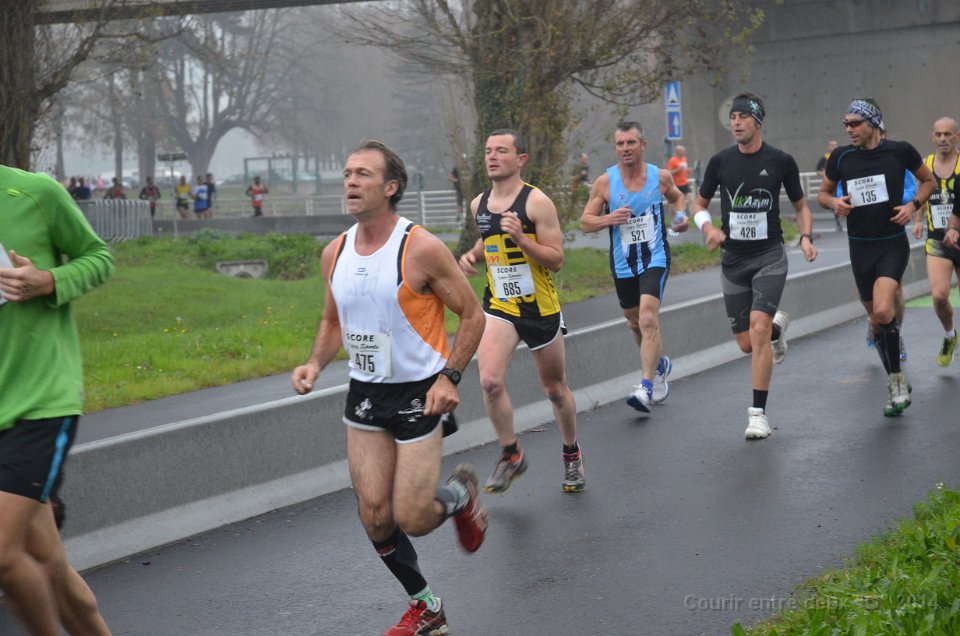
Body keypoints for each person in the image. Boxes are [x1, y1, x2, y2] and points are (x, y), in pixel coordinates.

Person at [291, 140, 487, 636]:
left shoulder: (419, 248)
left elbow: (472, 315)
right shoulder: (334, 253)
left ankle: (459, 495)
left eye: (363, 174)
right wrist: (314, 363)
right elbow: (333, 320)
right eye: (347, 174)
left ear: (391, 187)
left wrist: (450, 377)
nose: (351, 182)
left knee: (414, 517)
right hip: (365, 393)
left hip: (421, 391)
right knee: (376, 514)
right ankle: (426, 605)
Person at [0, 163, 114, 636]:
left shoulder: (33, 192)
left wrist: (47, 280)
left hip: (39, 400)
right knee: (48, 564)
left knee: (3, 555)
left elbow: (98, 258)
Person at [458, 129, 584, 494]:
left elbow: (556, 260)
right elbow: (487, 239)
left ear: (520, 159)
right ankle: (511, 454)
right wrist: (472, 255)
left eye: (501, 150)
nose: (492, 156)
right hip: (500, 304)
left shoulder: (537, 203)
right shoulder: (479, 204)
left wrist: (522, 240)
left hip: (539, 308)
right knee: (489, 380)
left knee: (555, 389)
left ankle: (572, 453)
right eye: (488, 150)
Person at [693, 93, 818, 439]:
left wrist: (805, 237)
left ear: (757, 122)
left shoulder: (780, 161)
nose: (735, 123)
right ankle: (777, 329)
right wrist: (708, 228)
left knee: (758, 329)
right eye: (732, 117)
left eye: (742, 117)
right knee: (747, 343)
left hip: (769, 256)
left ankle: (758, 415)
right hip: (733, 260)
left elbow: (801, 206)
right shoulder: (720, 162)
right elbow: (698, 205)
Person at [817, 97, 935, 416]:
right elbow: (823, 194)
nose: (849, 129)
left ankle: (895, 381)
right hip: (860, 247)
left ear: (873, 124)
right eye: (846, 124)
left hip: (891, 244)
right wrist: (834, 203)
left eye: (855, 123)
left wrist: (913, 206)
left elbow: (929, 182)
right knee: (875, 321)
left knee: (884, 309)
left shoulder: (901, 151)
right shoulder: (841, 157)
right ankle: (896, 380)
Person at [580, 121, 688, 415]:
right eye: (620, 144)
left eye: (630, 142)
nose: (625, 148)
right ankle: (659, 364)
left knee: (648, 317)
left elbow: (677, 197)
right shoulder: (605, 182)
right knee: (633, 321)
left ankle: (645, 386)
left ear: (643, 145)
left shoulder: (659, 176)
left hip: (655, 256)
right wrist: (608, 219)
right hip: (623, 262)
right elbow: (585, 222)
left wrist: (681, 215)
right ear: (615, 148)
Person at [911, 117, 960, 367]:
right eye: (938, 134)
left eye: (947, 134)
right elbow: (923, 192)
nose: (943, 139)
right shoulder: (926, 164)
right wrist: (918, 220)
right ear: (932, 137)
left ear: (957, 137)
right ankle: (950, 335)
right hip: (937, 239)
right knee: (939, 296)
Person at [817, 141, 843, 231]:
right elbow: (818, 171)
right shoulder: (825, 158)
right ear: (828, 147)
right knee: (833, 200)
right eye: (831, 146)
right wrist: (826, 174)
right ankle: (838, 221)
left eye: (834, 145)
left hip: (840, 183)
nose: (833, 147)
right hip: (830, 184)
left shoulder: (841, 156)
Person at [667, 145, 692, 213]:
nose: (684, 152)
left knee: (690, 199)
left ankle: (692, 215)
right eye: (682, 151)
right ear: (677, 152)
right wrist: (678, 169)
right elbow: (669, 172)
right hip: (676, 184)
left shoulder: (684, 159)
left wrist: (688, 170)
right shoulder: (672, 160)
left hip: (684, 183)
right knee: (674, 201)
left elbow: (684, 169)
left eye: (684, 151)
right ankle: (670, 215)